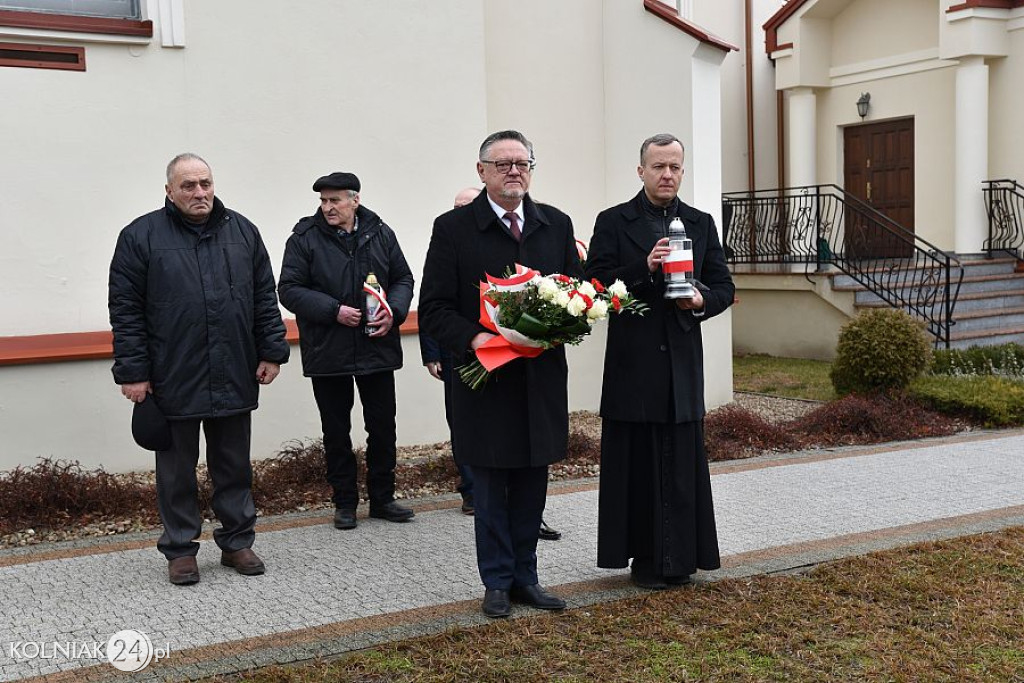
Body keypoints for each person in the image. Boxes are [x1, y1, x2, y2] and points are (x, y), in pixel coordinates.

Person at [419, 130, 581, 618]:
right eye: (503, 163)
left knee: (533, 483)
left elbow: (576, 295)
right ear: (481, 171)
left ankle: (526, 578)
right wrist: (480, 339)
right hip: (483, 379)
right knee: (489, 487)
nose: (515, 171)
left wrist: (562, 323)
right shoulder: (453, 229)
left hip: (540, 379)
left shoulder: (555, 224)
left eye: (522, 162)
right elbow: (434, 309)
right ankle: (495, 581)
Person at [108, 153, 290, 586]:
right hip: (172, 375)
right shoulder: (140, 236)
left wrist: (272, 351)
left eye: (205, 183)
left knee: (233, 464)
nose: (199, 193)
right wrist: (133, 372)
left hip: (233, 368)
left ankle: (238, 542)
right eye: (188, 185)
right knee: (175, 471)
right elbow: (126, 311)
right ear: (169, 191)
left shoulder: (243, 232)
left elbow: (265, 297)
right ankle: (180, 549)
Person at [585, 133, 735, 589]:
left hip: (681, 364)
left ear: (682, 171)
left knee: (680, 465)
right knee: (638, 466)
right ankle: (645, 561)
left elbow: (724, 287)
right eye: (657, 167)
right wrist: (642, 268)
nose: (666, 174)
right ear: (641, 171)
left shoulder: (701, 223)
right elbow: (592, 286)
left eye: (674, 167)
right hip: (633, 366)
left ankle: (682, 559)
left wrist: (699, 299)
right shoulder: (613, 221)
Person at [278, 171, 415, 531]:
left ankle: (383, 499)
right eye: (323, 201)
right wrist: (333, 310)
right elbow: (289, 289)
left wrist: (394, 312)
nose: (327, 207)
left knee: (383, 427)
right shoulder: (304, 238)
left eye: (334, 200)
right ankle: (345, 503)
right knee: (336, 430)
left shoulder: (381, 232)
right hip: (329, 350)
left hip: (377, 346)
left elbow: (403, 278)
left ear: (354, 200)